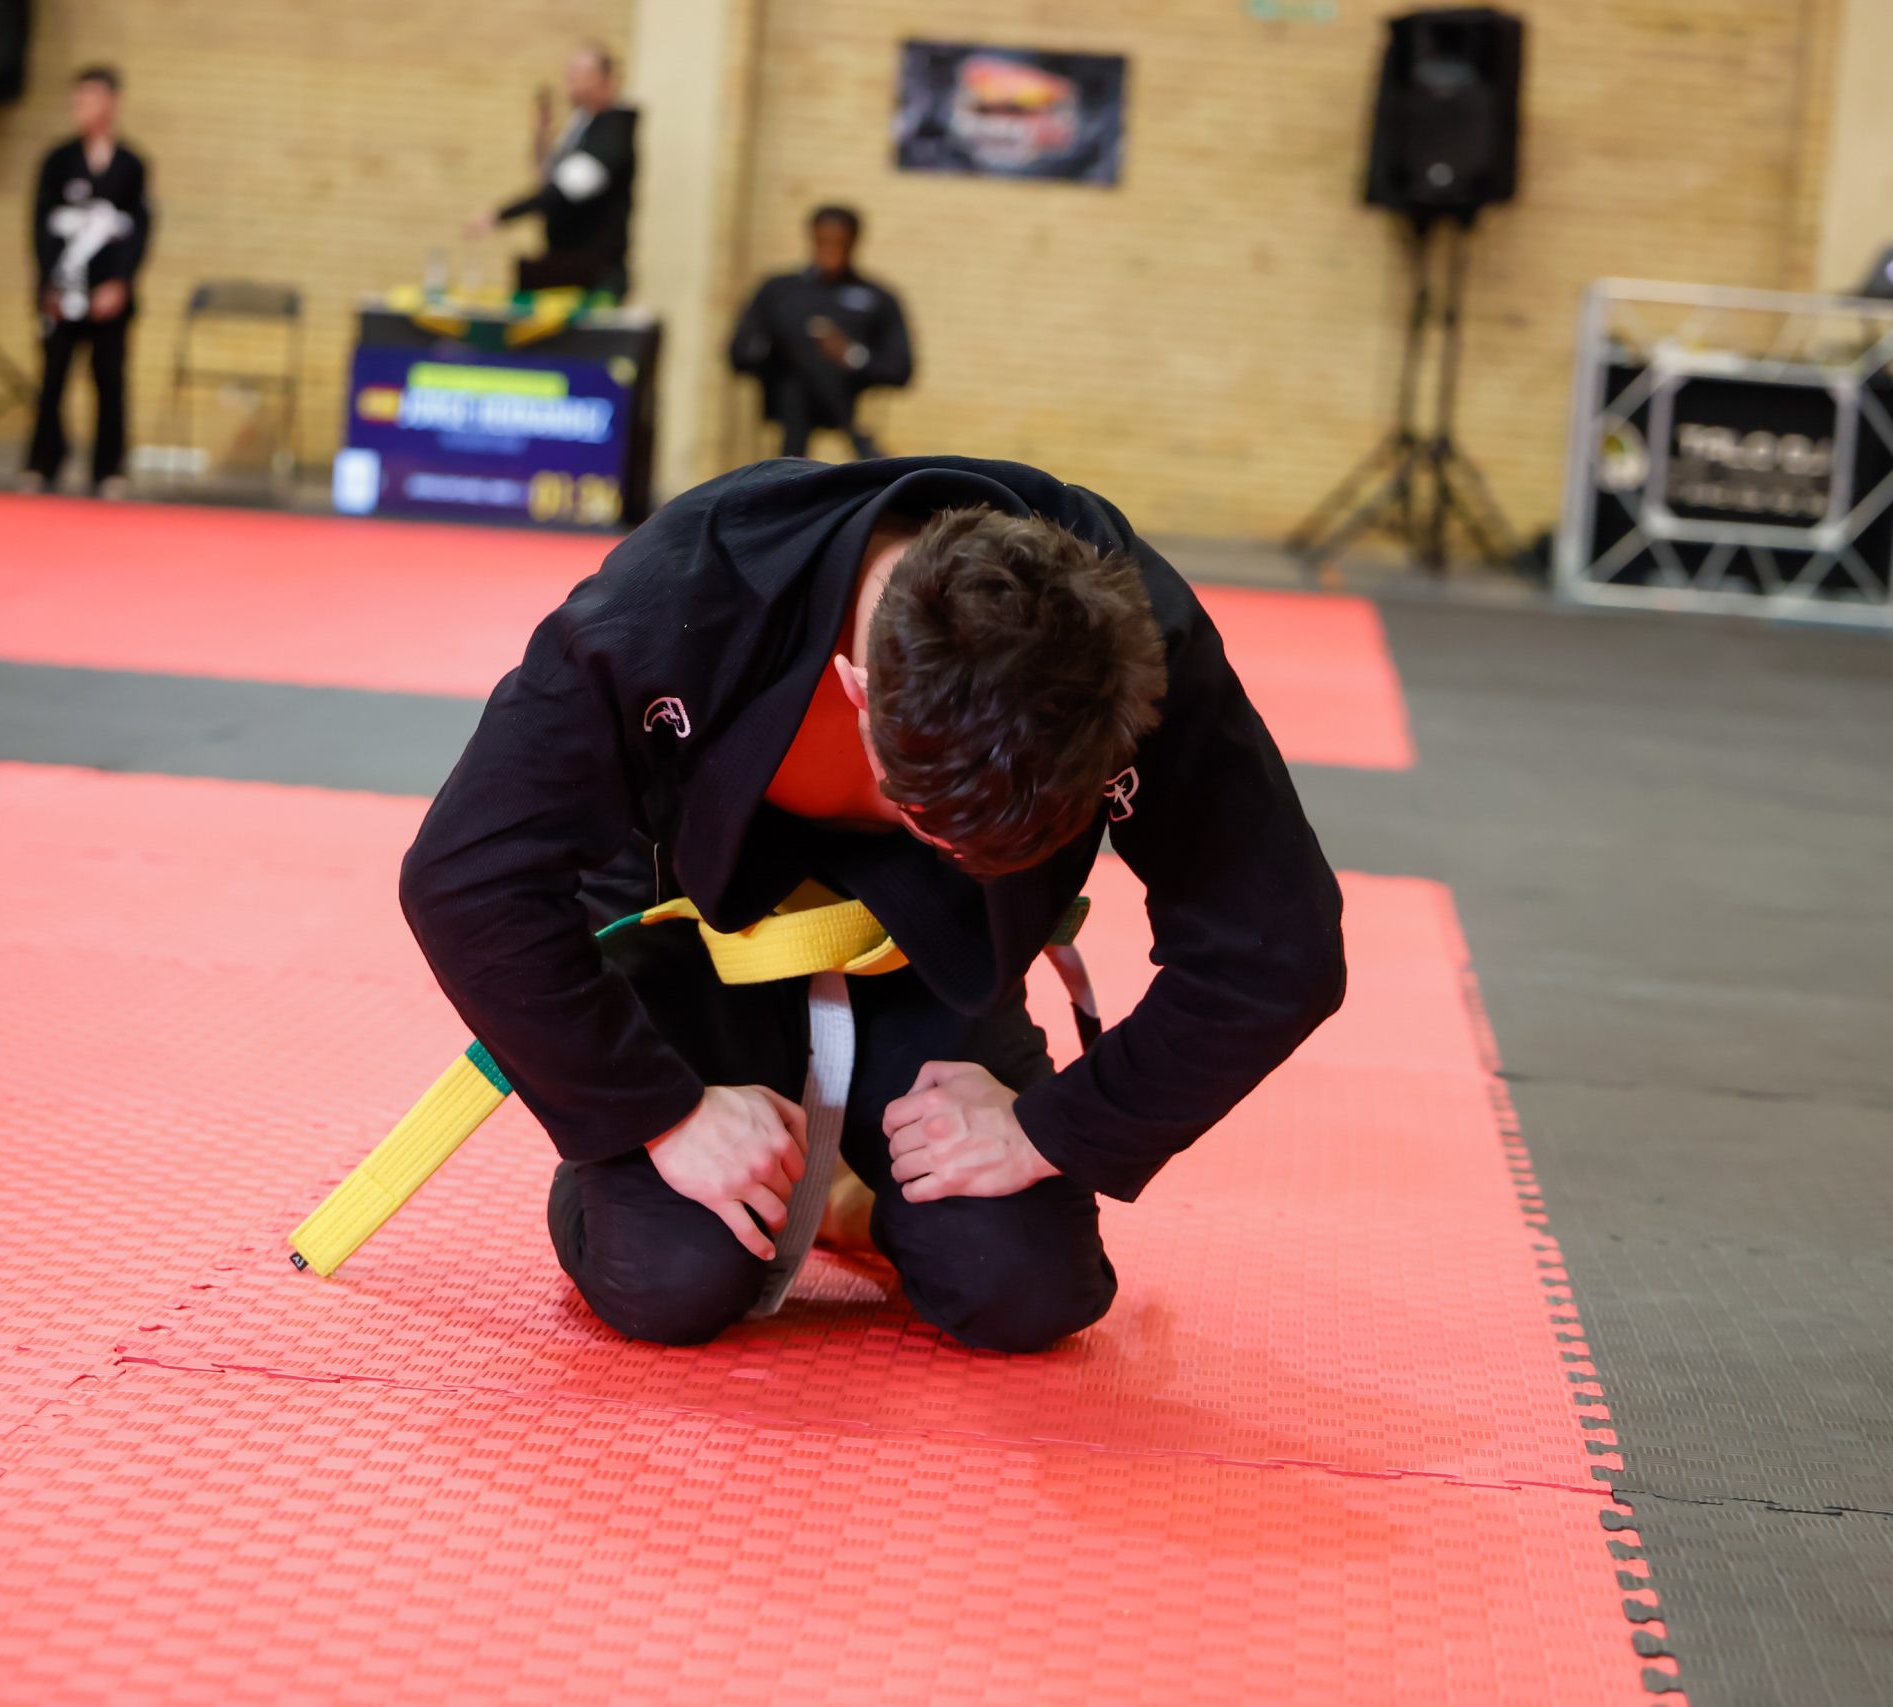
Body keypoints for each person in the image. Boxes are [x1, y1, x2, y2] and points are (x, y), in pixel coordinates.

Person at [399, 457, 1348, 1353]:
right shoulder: (690, 592)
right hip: (691, 933)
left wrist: (1052, 1125)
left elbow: (1280, 949)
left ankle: (850, 1199)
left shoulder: (1135, 648)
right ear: (857, 687)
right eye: (931, 819)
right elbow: (463, 873)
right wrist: (656, 1113)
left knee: (1021, 1285)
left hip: (937, 949)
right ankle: (676, 1169)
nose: (951, 840)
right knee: (673, 1273)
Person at [21, 66, 151, 497]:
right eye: (77, 99)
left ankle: (109, 468)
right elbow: (39, 225)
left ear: (112, 103)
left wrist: (121, 283)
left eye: (91, 98)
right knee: (53, 378)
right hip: (64, 291)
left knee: (110, 379)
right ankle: (43, 461)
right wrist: (49, 284)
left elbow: (140, 230)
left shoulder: (131, 165)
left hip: (107, 294)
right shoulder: (58, 161)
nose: (82, 107)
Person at [730, 206, 914, 459]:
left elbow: (900, 370)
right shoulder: (779, 291)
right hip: (784, 395)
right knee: (796, 374)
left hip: (848, 393)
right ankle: (855, 436)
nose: (830, 250)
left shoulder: (877, 298)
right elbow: (739, 354)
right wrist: (776, 346)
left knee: (801, 372)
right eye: (823, 241)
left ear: (854, 241)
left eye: (840, 243)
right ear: (811, 237)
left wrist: (850, 355)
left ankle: (789, 466)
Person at [474, 45, 635, 298]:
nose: (569, 81)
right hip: (565, 262)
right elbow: (548, 179)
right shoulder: (581, 124)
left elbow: (565, 189)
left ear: (604, 80)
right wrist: (542, 136)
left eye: (578, 74)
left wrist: (504, 214)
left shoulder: (613, 132)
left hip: (594, 271)